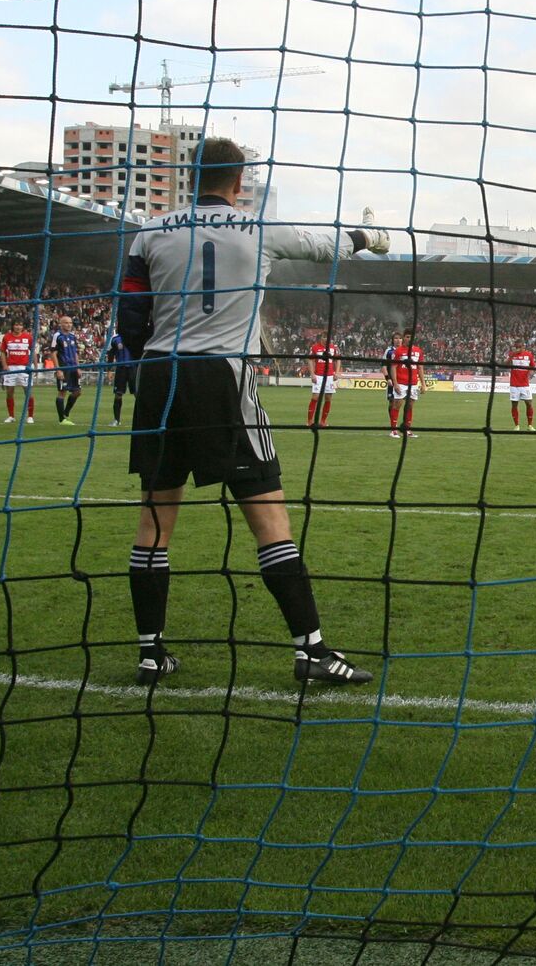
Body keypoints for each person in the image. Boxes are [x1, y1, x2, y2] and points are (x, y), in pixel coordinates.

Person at [116, 136, 389, 687]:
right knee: (269, 517)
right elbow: (326, 244)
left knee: (154, 519)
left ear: (192, 176)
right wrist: (369, 236)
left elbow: (131, 316)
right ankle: (311, 652)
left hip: (160, 378)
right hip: (222, 379)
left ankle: (150, 653)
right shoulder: (259, 230)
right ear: (239, 183)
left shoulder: (149, 231)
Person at [384, 328, 424, 438]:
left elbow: (420, 368)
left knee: (410, 406)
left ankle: (407, 429)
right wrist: (395, 383)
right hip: (401, 382)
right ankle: (393, 430)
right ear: (404, 338)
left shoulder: (418, 351)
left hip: (413, 383)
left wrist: (423, 384)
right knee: (397, 404)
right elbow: (393, 367)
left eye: (411, 337)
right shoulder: (398, 351)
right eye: (407, 337)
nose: (409, 339)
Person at [49, 315, 83, 425]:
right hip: (63, 367)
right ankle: (62, 419)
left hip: (73, 367)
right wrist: (58, 370)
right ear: (61, 324)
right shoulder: (57, 336)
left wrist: (78, 368)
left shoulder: (73, 336)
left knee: (77, 392)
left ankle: (65, 413)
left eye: (70, 323)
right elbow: (53, 353)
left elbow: (75, 353)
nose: (68, 325)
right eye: (66, 323)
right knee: (62, 392)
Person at [0, 318, 35, 423]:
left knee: (28, 392)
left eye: (20, 325)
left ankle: (30, 416)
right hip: (11, 368)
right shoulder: (7, 337)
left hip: (24, 368)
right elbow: (2, 352)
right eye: (16, 325)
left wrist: (35, 366)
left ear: (23, 326)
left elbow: (33, 351)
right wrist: (4, 365)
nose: (18, 327)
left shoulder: (28, 337)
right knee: (9, 392)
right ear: (13, 326)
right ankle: (11, 416)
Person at [306, 336, 341, 427]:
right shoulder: (314, 347)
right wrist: (312, 374)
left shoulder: (333, 347)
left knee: (328, 398)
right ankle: (310, 421)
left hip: (329, 376)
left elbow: (338, 360)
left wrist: (336, 373)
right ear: (321, 338)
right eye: (325, 338)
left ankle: (323, 421)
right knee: (315, 398)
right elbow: (310, 360)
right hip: (318, 376)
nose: (327, 340)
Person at [107, 330, 136, 427]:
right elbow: (111, 354)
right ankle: (116, 420)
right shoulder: (115, 338)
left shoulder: (135, 335)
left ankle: (143, 419)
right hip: (121, 369)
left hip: (134, 368)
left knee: (138, 394)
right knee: (118, 394)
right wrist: (109, 370)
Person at [508, 345, 535, 430]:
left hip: (525, 385)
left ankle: (530, 425)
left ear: (523, 347)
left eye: (520, 347)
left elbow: (533, 366)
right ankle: (516, 425)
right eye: (517, 347)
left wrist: (531, 373)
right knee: (514, 405)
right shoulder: (512, 355)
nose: (518, 349)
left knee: (529, 404)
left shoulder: (528, 355)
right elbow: (505, 364)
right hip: (514, 385)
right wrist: (512, 355)